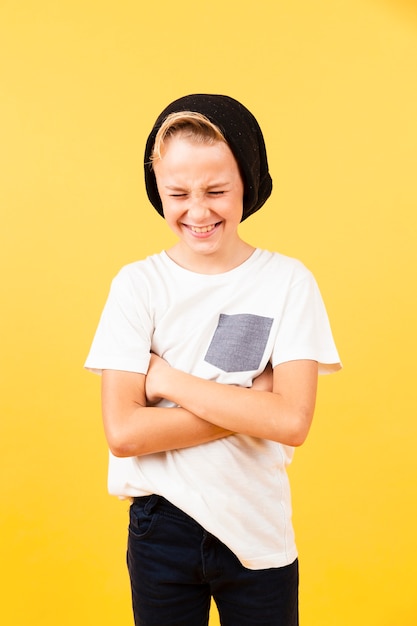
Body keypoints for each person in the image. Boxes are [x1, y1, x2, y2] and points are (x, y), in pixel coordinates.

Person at [85, 94, 341, 626]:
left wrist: (169, 379)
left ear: (248, 183)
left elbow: (293, 423)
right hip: (162, 527)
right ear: (157, 189)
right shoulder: (138, 286)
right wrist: (254, 401)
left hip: (257, 527)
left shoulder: (288, 282)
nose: (197, 211)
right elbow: (125, 432)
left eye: (217, 191)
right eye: (177, 192)